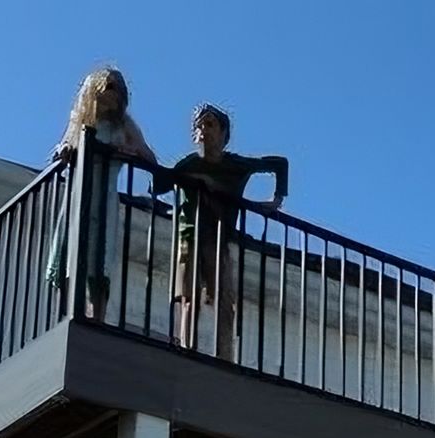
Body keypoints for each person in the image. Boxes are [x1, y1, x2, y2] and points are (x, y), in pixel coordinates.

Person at [158, 103, 289, 362]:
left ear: (223, 133)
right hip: (190, 236)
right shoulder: (188, 164)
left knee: (224, 299)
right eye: (200, 126)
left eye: (210, 124)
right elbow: (158, 184)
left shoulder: (236, 165)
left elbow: (279, 164)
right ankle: (187, 349)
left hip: (220, 239)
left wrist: (276, 200)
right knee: (188, 298)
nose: (204, 131)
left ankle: (225, 356)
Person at [46, 67, 156, 319]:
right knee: (71, 248)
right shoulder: (81, 120)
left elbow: (148, 156)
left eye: (116, 89)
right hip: (78, 193)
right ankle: (67, 315)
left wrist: (128, 151)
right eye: (107, 87)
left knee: (100, 254)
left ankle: (97, 317)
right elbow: (65, 145)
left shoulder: (125, 124)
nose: (112, 94)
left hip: (105, 195)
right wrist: (64, 150)